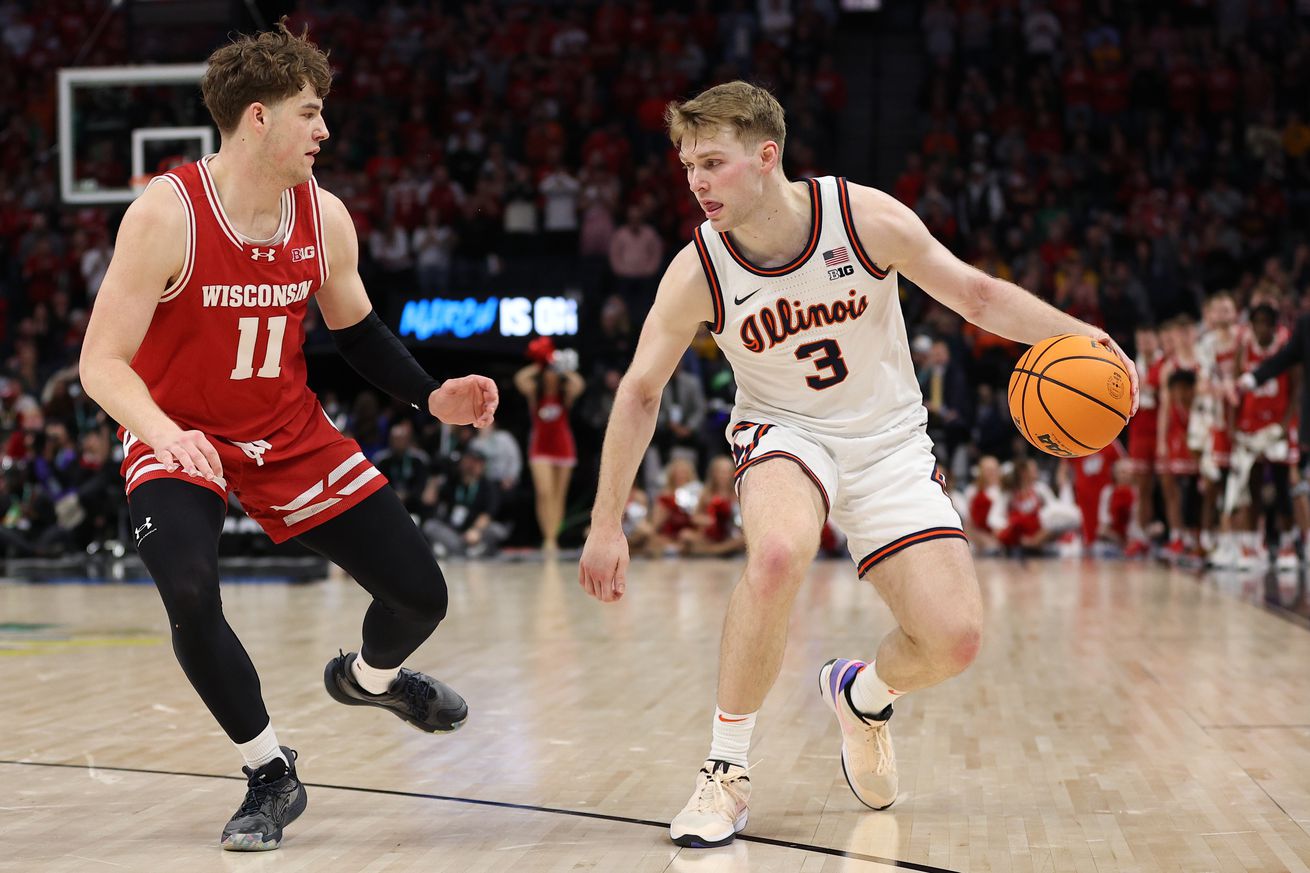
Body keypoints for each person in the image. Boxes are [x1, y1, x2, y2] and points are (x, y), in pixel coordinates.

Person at [577, 81, 1138, 849]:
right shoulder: (697, 268)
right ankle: (725, 770)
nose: (696, 181)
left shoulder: (861, 218)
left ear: (766, 156)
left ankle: (863, 695)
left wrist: (1085, 336)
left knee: (954, 639)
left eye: (712, 161)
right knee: (775, 554)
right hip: (784, 431)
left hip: (887, 441)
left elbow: (975, 294)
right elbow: (641, 391)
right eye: (686, 164)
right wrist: (606, 521)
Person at [78, 21, 498, 853]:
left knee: (423, 595)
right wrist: (162, 433)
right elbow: (100, 364)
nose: (325, 130)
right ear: (258, 118)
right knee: (192, 593)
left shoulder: (324, 214)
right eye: (310, 113)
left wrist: (431, 395)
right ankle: (271, 772)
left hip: (290, 433)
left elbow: (359, 332)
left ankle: (369, 680)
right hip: (179, 435)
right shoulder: (166, 215)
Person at [515, 342, 584, 553]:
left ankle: (552, 538)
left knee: (558, 495)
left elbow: (579, 383)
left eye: (554, 373)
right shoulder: (535, 394)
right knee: (544, 492)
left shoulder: (566, 396)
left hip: (563, 447)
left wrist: (562, 367)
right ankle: (547, 536)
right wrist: (541, 363)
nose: (551, 376)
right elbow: (520, 379)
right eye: (548, 372)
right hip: (540, 448)